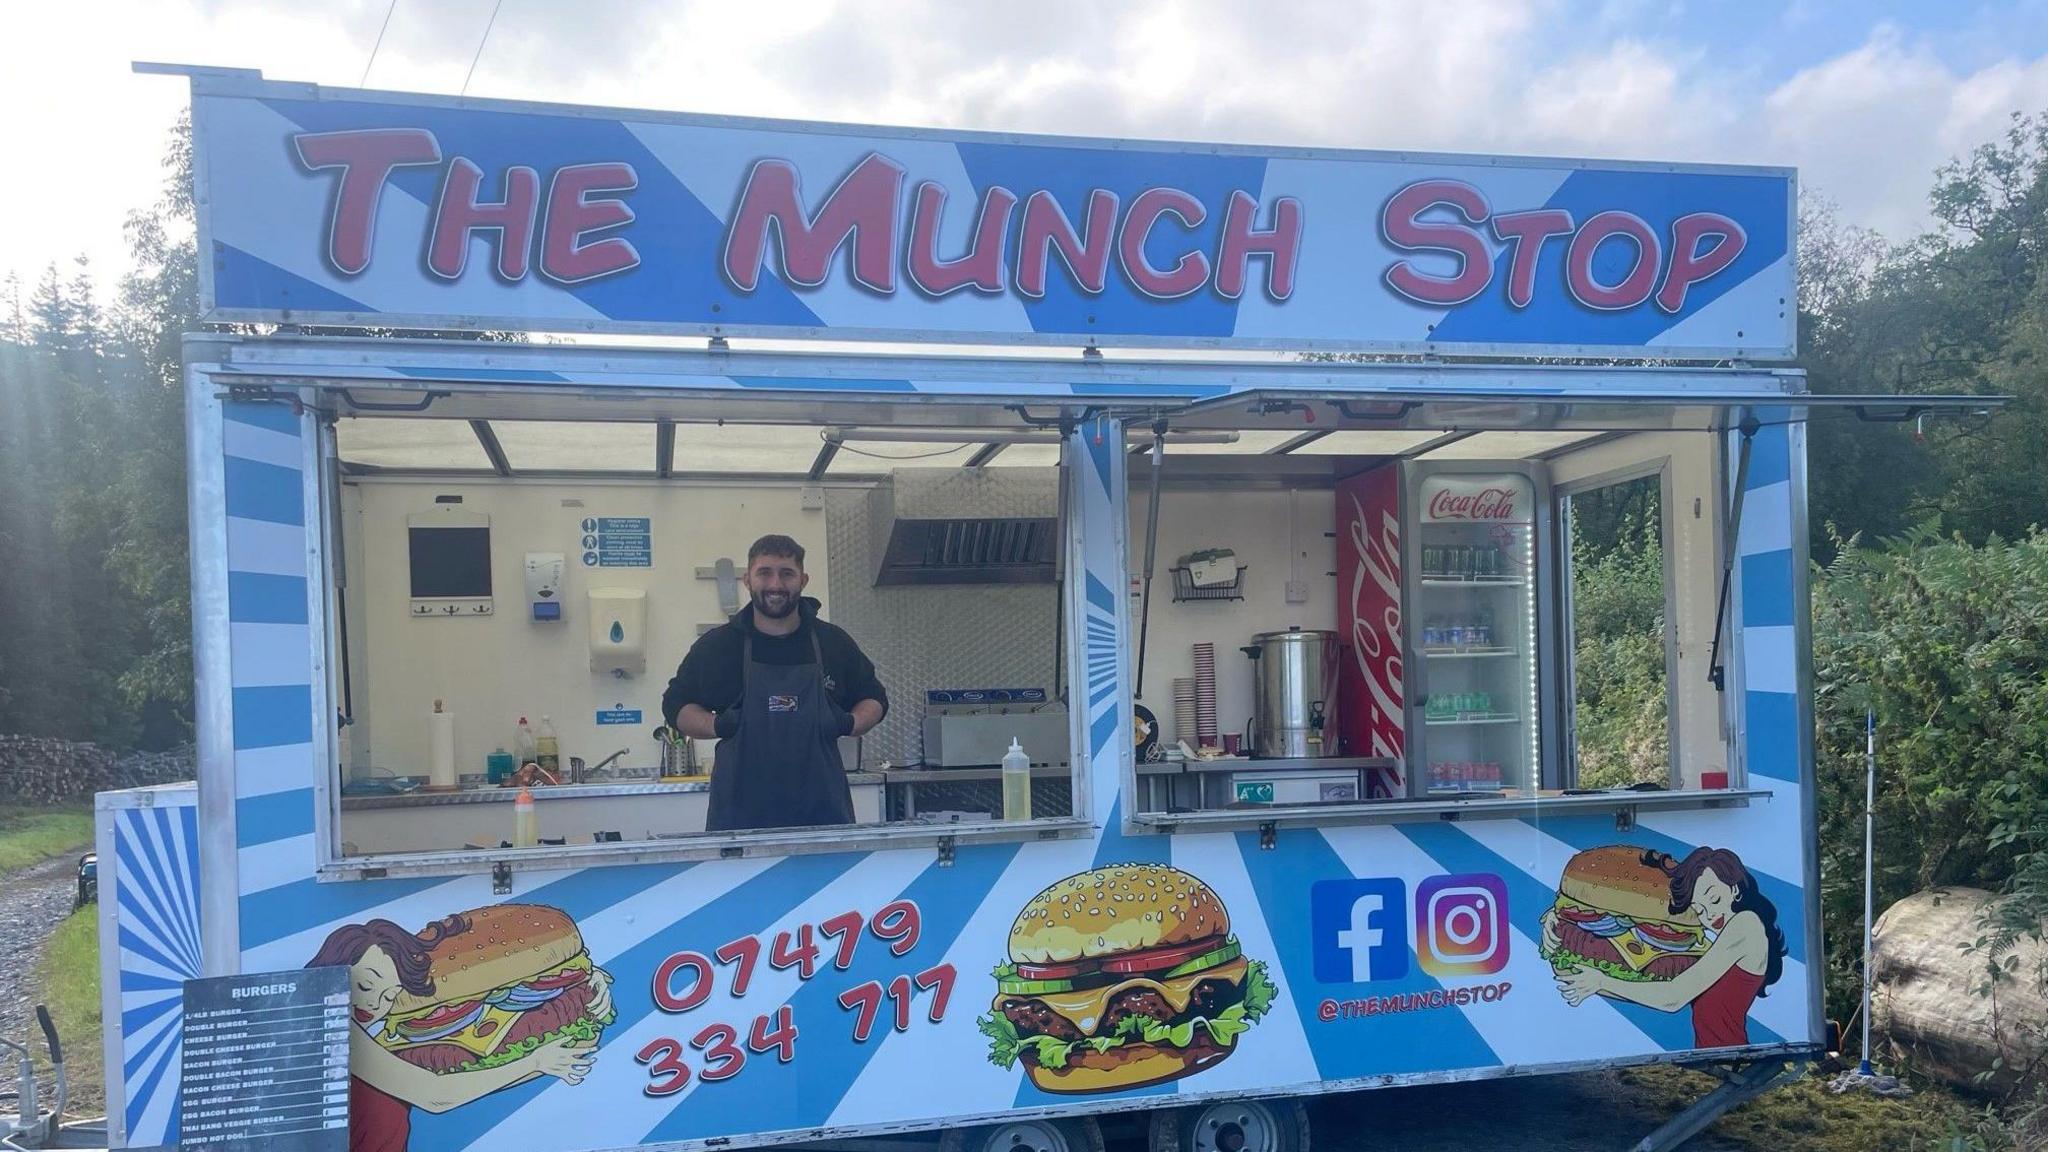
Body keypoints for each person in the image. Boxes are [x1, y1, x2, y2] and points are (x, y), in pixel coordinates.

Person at [307, 915, 610, 1152]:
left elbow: (465, 1079)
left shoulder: (377, 1028)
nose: (375, 1004)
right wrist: (535, 1062)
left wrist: (587, 979)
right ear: (336, 969)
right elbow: (435, 1095)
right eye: (365, 986)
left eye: (390, 996)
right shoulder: (334, 1030)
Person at [662, 534, 887, 832]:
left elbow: (874, 698)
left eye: (787, 573)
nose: (775, 585)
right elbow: (675, 706)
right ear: (747, 580)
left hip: (823, 817)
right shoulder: (718, 647)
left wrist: (848, 722)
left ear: (803, 580)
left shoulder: (832, 642)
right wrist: (716, 725)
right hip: (738, 821)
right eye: (764, 573)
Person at [1548, 847, 1787, 1048]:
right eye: (1699, 909)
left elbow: (1673, 997)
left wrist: (1601, 981)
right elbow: (1660, 989)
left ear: (1734, 889)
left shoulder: (1745, 925)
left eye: (1713, 899)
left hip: (1730, 1052)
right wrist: (1557, 920)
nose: (1709, 915)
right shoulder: (1730, 937)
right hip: (1715, 1051)